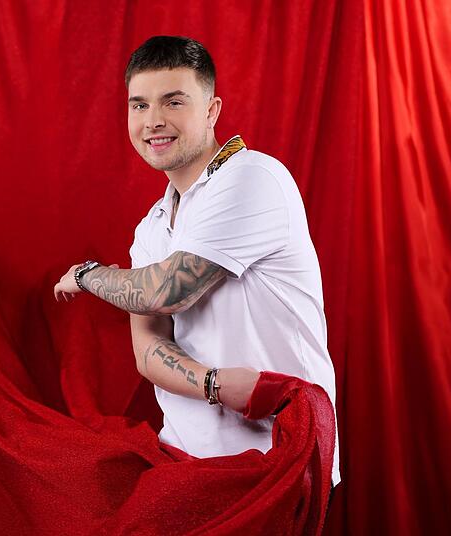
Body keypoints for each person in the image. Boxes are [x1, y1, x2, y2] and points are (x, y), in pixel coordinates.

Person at [53, 35, 341, 490]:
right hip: (184, 458)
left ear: (211, 110)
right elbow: (149, 348)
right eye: (139, 105)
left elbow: (164, 291)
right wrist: (214, 384)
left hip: (277, 456)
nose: (153, 121)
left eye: (173, 102)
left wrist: (88, 275)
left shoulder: (252, 177)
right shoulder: (152, 226)